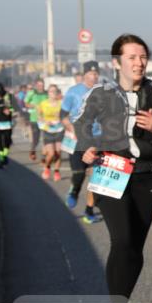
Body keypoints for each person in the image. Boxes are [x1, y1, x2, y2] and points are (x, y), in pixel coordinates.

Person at [72, 34, 152, 303]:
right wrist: (86, 147)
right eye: (132, 57)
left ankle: (123, 299)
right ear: (116, 62)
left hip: (148, 175)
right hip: (111, 169)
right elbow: (81, 123)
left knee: (135, 246)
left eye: (143, 56)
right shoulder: (101, 93)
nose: (139, 62)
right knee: (121, 240)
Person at [61, 60, 102, 223]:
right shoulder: (73, 92)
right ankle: (74, 190)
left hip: (97, 139)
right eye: (91, 73)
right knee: (79, 174)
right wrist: (71, 128)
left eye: (96, 73)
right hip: (78, 139)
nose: (95, 76)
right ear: (85, 74)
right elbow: (62, 115)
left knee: (95, 177)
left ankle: (89, 211)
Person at [36, 85, 65, 180]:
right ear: (48, 93)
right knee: (51, 153)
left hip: (59, 129)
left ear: (57, 93)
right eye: (51, 91)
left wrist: (60, 116)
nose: (53, 93)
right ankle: (47, 167)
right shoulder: (43, 103)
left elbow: (67, 115)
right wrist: (45, 121)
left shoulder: (61, 103)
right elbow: (38, 116)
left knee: (58, 152)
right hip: (48, 130)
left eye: (55, 91)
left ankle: (56, 171)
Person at [24, 79, 47, 161]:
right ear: (36, 85)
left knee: (46, 139)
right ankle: (32, 151)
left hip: (45, 119)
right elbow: (26, 104)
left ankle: (44, 156)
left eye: (42, 85)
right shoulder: (32, 93)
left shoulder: (46, 93)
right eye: (39, 85)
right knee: (36, 139)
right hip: (34, 119)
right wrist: (34, 106)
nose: (41, 87)